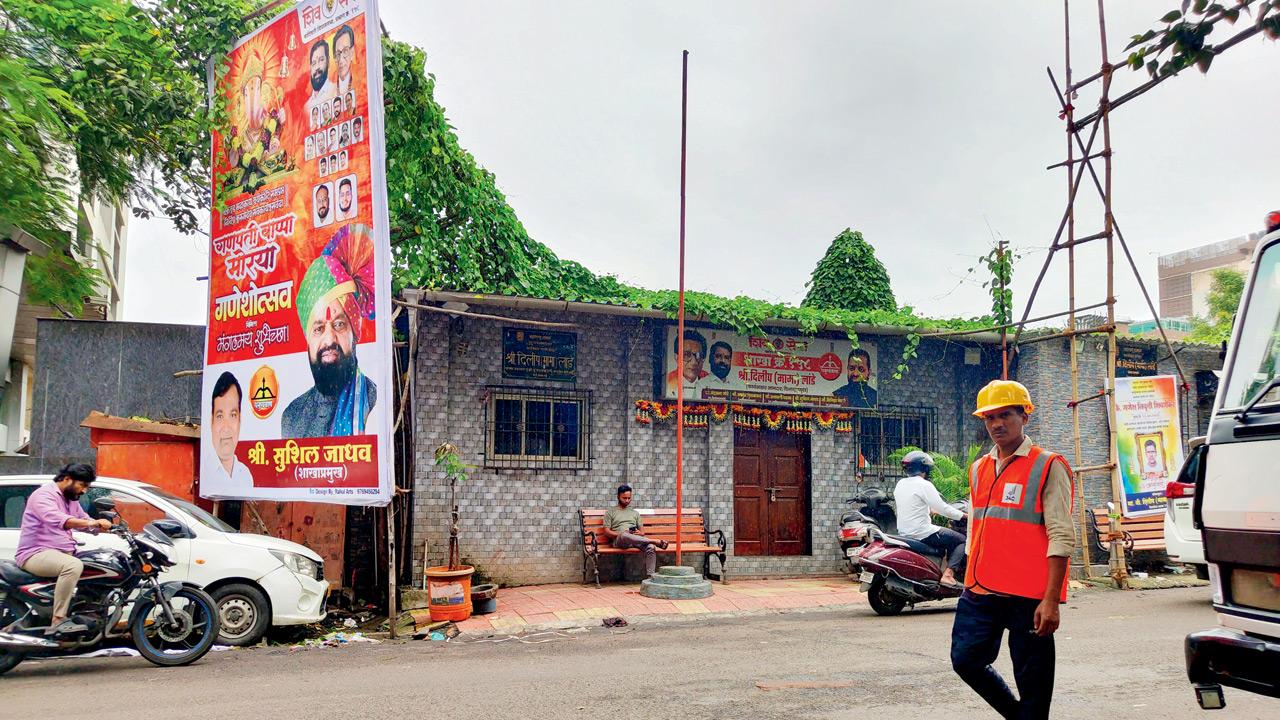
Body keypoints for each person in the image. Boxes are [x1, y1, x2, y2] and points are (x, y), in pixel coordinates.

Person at [951, 380, 1075, 720]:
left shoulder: (1048, 465)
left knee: (1034, 687)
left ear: (1025, 416)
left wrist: (1051, 600)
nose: (996, 424)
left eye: (1005, 415)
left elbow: (1061, 535)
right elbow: (977, 528)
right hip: (981, 590)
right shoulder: (979, 469)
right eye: (989, 417)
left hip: (1028, 597)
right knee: (965, 660)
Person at [283, 225, 378, 437]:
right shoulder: (291, 417)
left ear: (355, 333)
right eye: (318, 328)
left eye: (339, 324)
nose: (329, 339)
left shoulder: (374, 403)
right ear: (308, 341)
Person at [15, 464, 111, 635]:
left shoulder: (71, 499)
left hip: (61, 553)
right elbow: (59, 519)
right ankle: (58, 619)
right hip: (35, 553)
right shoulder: (43, 495)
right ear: (67, 479)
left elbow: (83, 520)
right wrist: (92, 523)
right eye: (83, 485)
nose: (84, 491)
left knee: (99, 561)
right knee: (72, 566)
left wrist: (106, 527)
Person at [893, 450, 966, 587]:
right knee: (962, 541)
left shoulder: (901, 484)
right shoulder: (924, 484)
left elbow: (913, 504)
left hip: (905, 532)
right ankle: (948, 575)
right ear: (924, 468)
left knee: (950, 539)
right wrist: (963, 515)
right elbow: (943, 508)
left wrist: (930, 510)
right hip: (922, 532)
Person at [601, 484, 668, 578]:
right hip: (620, 540)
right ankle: (653, 540)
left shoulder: (635, 513)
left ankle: (650, 576)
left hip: (635, 539)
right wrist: (621, 534)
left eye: (629, 498)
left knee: (651, 547)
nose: (627, 500)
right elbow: (606, 532)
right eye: (624, 498)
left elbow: (642, 532)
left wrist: (639, 533)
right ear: (618, 497)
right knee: (624, 535)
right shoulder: (610, 512)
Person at [208, 371, 253, 496]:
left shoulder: (245, 476)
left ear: (240, 420)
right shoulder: (205, 473)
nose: (226, 428)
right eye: (220, 416)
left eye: (233, 415)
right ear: (211, 422)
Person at [305, 37, 335, 123]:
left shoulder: (336, 90)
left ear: (328, 62)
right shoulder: (306, 107)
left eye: (321, 60)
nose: (317, 67)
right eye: (314, 63)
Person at [333, 24, 356, 99]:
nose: (341, 60)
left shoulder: (361, 84)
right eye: (338, 54)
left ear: (352, 52)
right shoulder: (330, 90)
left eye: (345, 51)